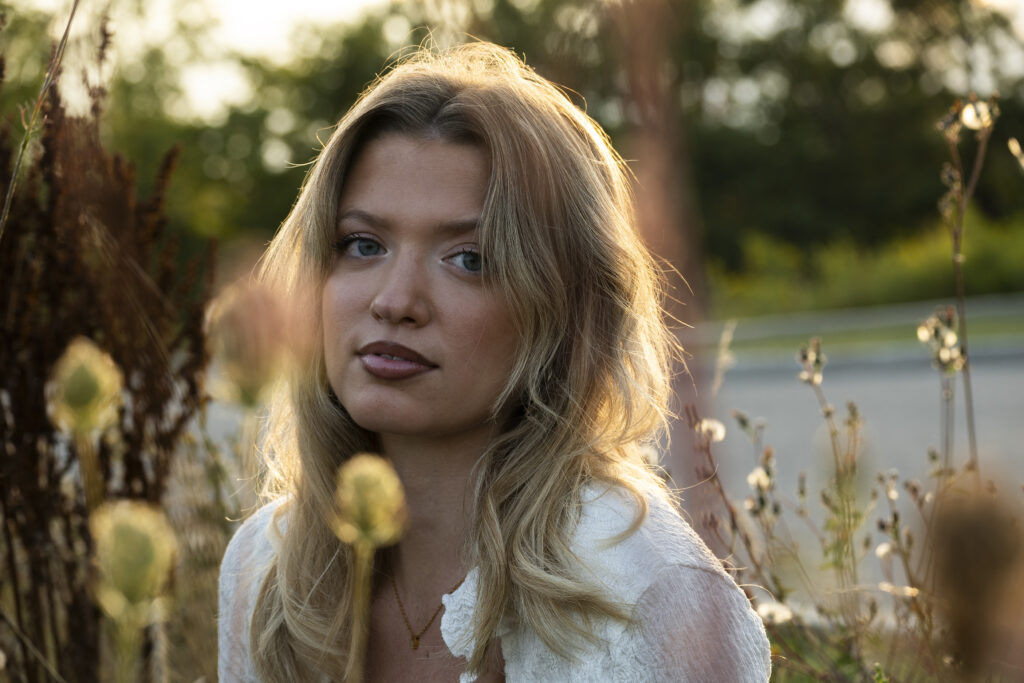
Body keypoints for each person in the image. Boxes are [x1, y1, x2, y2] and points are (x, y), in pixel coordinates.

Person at [218, 41, 771, 682]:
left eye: (470, 259)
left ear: (569, 307)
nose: (395, 301)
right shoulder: (265, 568)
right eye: (362, 244)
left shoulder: (652, 597)